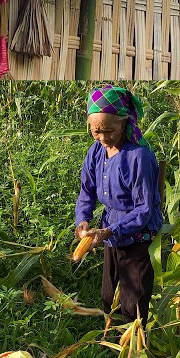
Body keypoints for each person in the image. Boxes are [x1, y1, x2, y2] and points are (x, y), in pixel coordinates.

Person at [74, 85, 163, 323]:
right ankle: (111, 342)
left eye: (109, 131)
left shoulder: (138, 157)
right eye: (95, 132)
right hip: (109, 232)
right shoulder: (95, 152)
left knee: (132, 300)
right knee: (107, 294)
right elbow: (87, 192)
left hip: (137, 234)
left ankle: (135, 348)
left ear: (124, 123)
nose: (102, 138)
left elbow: (143, 209)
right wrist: (82, 221)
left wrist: (109, 231)